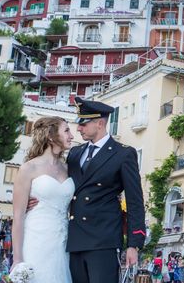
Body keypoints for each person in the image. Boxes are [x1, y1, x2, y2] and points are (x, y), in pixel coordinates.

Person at [66, 97, 146, 282]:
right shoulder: (75, 153)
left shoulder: (123, 154)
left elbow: (135, 201)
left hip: (103, 239)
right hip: (75, 238)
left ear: (100, 123)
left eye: (83, 123)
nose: (79, 128)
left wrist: (134, 244)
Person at [12, 116, 75, 282]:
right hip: (36, 238)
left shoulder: (69, 169)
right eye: (67, 130)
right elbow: (17, 217)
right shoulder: (28, 168)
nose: (72, 136)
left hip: (63, 241)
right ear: (51, 135)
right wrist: (17, 259)